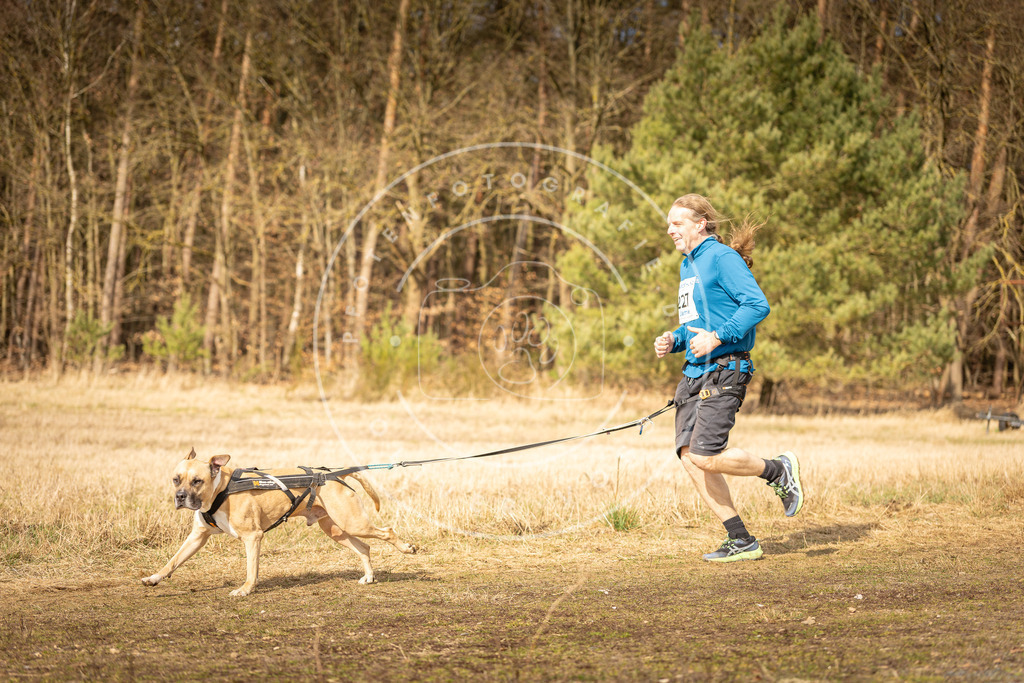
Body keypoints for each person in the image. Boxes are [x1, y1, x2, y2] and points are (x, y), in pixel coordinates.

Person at [653, 194, 803, 562]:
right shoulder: (689, 265)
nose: (670, 230)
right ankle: (741, 539)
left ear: (700, 223)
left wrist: (718, 337)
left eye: (677, 223)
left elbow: (757, 305)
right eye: (669, 224)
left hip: (726, 369)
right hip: (694, 374)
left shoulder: (721, 258)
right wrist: (676, 339)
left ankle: (778, 470)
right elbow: (696, 326)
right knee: (689, 456)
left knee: (705, 454)